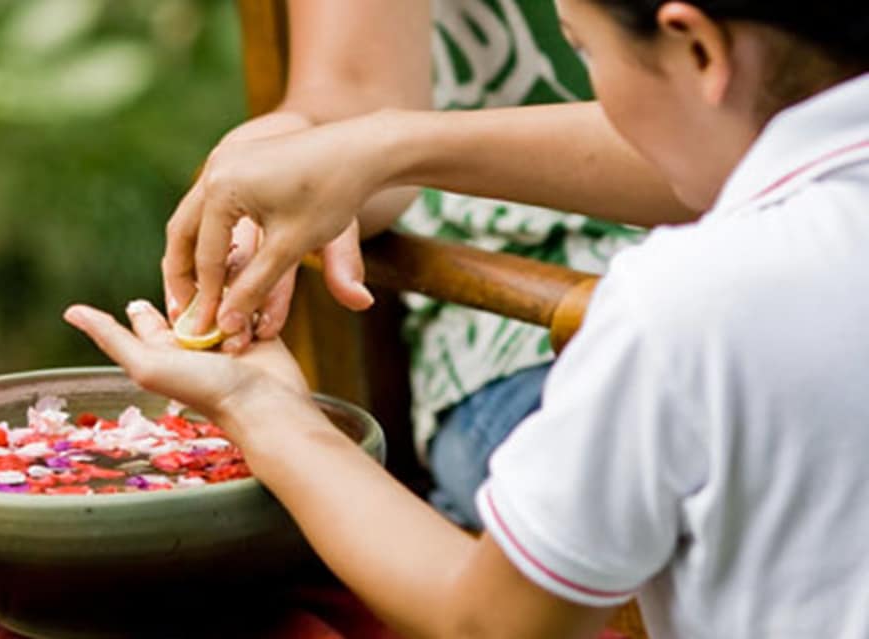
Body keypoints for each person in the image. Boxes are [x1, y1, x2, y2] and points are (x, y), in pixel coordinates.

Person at [67, 0, 869, 635]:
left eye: (583, 52)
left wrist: (261, 408)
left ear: (695, 47)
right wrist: (329, 148)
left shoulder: (671, 311)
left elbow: (488, 619)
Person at [162, 0, 696, 529]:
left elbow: (720, 147)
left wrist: (387, 148)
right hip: (528, 332)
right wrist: (292, 141)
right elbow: (350, 95)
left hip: (713, 307)